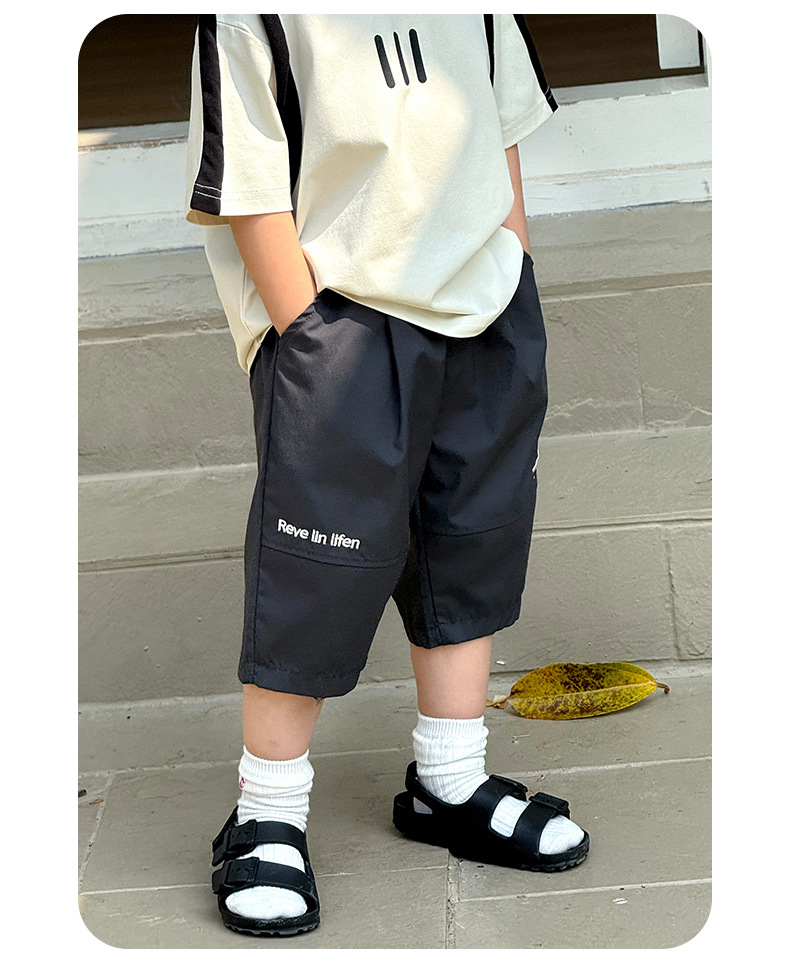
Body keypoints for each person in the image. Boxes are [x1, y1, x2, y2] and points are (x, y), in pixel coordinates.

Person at [186, 13, 589, 937]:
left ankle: (450, 781)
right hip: (343, 321)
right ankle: (267, 812)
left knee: (470, 542)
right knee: (318, 570)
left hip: (482, 305)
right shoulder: (252, 18)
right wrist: (308, 335)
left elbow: (500, 128)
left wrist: (516, 266)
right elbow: (248, 185)